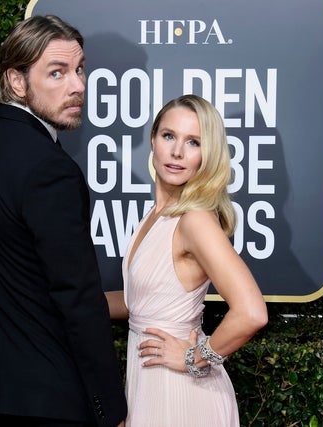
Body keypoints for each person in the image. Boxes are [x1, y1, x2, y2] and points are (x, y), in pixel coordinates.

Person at [0, 15, 126, 427]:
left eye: (80, 69)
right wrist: (110, 406)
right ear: (16, 80)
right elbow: (76, 296)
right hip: (52, 395)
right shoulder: (51, 168)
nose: (78, 85)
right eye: (57, 73)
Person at [106, 94, 269, 426]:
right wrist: (70, 303)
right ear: (153, 140)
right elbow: (141, 301)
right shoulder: (157, 215)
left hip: (181, 392)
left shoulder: (194, 220)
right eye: (169, 136)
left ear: (206, 155)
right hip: (149, 383)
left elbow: (252, 312)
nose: (177, 151)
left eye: (193, 142)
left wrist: (196, 358)